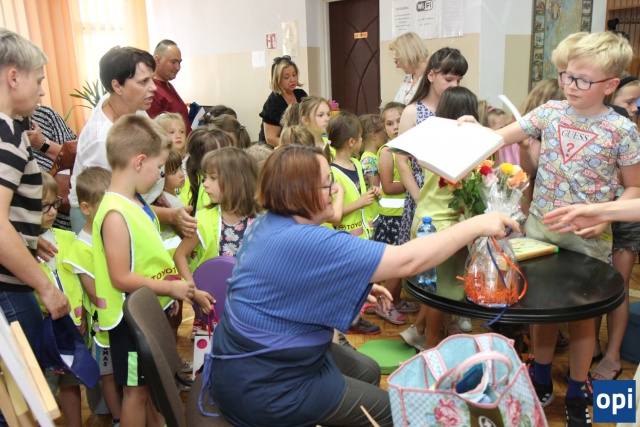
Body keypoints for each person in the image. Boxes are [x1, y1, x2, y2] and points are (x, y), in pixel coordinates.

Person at [205, 144, 519, 427]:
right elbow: (407, 261)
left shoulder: (268, 223)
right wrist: (476, 225)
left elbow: (285, 287)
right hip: (267, 386)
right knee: (396, 412)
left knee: (367, 370)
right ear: (300, 193)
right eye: (327, 183)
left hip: (244, 363)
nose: (335, 190)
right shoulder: (308, 240)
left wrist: (357, 285)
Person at [459, 31, 639, 427]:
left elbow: (634, 189)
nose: (570, 85)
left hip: (588, 240)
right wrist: (474, 128)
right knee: (541, 309)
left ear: (610, 85)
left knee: (582, 317)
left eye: (582, 80)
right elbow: (498, 137)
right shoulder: (550, 112)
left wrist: (605, 216)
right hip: (541, 230)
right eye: (565, 76)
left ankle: (576, 388)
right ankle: (540, 378)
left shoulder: (622, 130)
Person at [93, 114, 212, 427]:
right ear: (139, 162)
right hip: (128, 322)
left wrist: (170, 289)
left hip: (143, 314)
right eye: (159, 168)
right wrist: (170, 288)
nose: (160, 175)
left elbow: (147, 259)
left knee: (149, 388)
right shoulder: (115, 213)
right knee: (135, 392)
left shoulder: (135, 202)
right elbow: (121, 277)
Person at [0, 29, 70, 426]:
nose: (42, 91)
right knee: (23, 401)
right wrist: (45, 286)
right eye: (38, 80)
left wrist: (25, 235)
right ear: (14, 77)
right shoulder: (8, 134)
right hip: (9, 288)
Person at [69, 46, 196, 239]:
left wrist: (156, 191)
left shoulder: (127, 104)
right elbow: (114, 201)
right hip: (100, 214)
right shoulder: (102, 140)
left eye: (151, 79)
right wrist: (170, 215)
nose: (153, 87)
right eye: (144, 82)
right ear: (117, 86)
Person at [395, 47, 470, 347]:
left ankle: (430, 327)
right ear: (431, 76)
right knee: (429, 276)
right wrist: (418, 199)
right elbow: (402, 159)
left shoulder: (458, 112)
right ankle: (428, 333)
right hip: (424, 199)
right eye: (449, 79)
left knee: (443, 277)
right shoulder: (414, 112)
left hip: (441, 202)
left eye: (459, 80)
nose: (454, 85)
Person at [63, 166, 122, 427]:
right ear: (86, 208)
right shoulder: (80, 249)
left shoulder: (112, 234)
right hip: (104, 329)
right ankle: (118, 418)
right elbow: (97, 295)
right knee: (107, 376)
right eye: (105, 205)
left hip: (125, 321)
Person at [37, 172, 85, 427]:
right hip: (44, 331)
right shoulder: (20, 248)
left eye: (55, 203)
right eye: (43, 206)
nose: (52, 211)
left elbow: (81, 280)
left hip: (71, 327)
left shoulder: (67, 237)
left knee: (70, 381)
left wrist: (83, 311)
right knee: (43, 387)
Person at [174, 147, 259, 283]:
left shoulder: (262, 221)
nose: (205, 184)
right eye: (205, 177)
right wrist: (192, 288)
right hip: (211, 292)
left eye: (213, 178)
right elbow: (180, 255)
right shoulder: (203, 219)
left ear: (237, 181)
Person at [25, 105, 78, 230]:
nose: (41, 95)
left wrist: (42, 143)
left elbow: (77, 159)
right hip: (26, 225)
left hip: (65, 217)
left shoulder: (45, 115)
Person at [258, 56, 307, 148]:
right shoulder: (273, 102)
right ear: (277, 79)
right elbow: (271, 139)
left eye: (294, 75)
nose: (292, 80)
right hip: (274, 149)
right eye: (286, 77)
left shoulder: (301, 94)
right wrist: (294, 148)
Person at [147, 40, 191, 135]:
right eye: (173, 62)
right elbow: (156, 132)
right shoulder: (152, 90)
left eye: (179, 62)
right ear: (157, 60)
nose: (178, 67)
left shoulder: (168, 85)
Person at [389, 32, 429, 104]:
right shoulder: (409, 78)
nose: (397, 66)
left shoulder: (432, 79)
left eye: (396, 61)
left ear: (407, 55)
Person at [359, 113, 386, 190]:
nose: (386, 135)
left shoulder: (373, 156)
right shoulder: (369, 160)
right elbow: (376, 188)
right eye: (383, 131)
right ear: (374, 136)